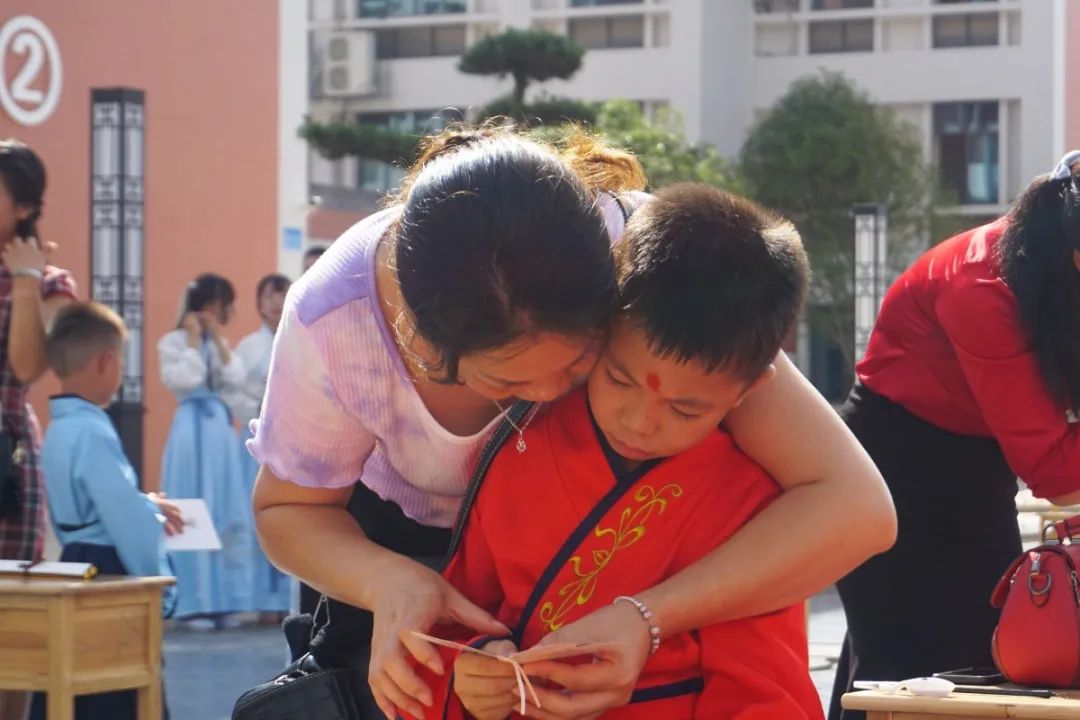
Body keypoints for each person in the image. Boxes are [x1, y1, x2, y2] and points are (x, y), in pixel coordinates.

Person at [249, 126, 895, 720]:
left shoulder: (651, 264)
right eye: (508, 384)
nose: (546, 400)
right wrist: (398, 591)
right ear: (422, 345)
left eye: (583, 364)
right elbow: (289, 510)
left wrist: (648, 618)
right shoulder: (334, 324)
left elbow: (854, 508)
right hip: (388, 563)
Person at [413, 185, 822, 720]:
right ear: (600, 331)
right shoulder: (521, 447)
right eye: (619, 379)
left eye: (685, 409)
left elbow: (762, 693)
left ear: (750, 390)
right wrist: (475, 667)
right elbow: (457, 617)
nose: (639, 422)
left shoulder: (751, 506)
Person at [829, 151, 1080, 720]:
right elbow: (1056, 472)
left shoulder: (1049, 269)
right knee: (902, 670)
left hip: (976, 461)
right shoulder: (981, 284)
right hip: (893, 469)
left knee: (991, 653)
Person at [29, 302, 181, 720]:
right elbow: (124, 518)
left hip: (75, 563)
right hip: (110, 571)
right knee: (116, 689)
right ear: (106, 361)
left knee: (69, 684)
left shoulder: (58, 428)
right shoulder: (94, 430)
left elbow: (92, 506)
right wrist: (159, 582)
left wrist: (145, 502)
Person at [0, 139, 77, 720]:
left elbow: (27, 368)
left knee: (11, 633)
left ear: (24, 207)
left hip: (7, 462)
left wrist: (25, 280)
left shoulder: (51, 283)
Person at [158, 273, 254, 626]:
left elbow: (236, 379)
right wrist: (193, 341)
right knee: (191, 505)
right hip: (190, 429)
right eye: (216, 303)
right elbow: (185, 380)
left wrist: (216, 343)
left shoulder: (219, 344)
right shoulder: (173, 342)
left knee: (223, 508)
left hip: (218, 430)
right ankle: (191, 602)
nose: (218, 311)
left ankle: (223, 600)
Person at [229, 273, 293, 620]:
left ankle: (287, 600)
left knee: (292, 512)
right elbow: (234, 393)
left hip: (292, 438)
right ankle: (259, 601)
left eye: (282, 294)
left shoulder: (300, 335)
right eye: (270, 295)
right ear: (259, 303)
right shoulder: (248, 347)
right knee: (259, 512)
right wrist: (258, 407)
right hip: (257, 438)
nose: (276, 302)